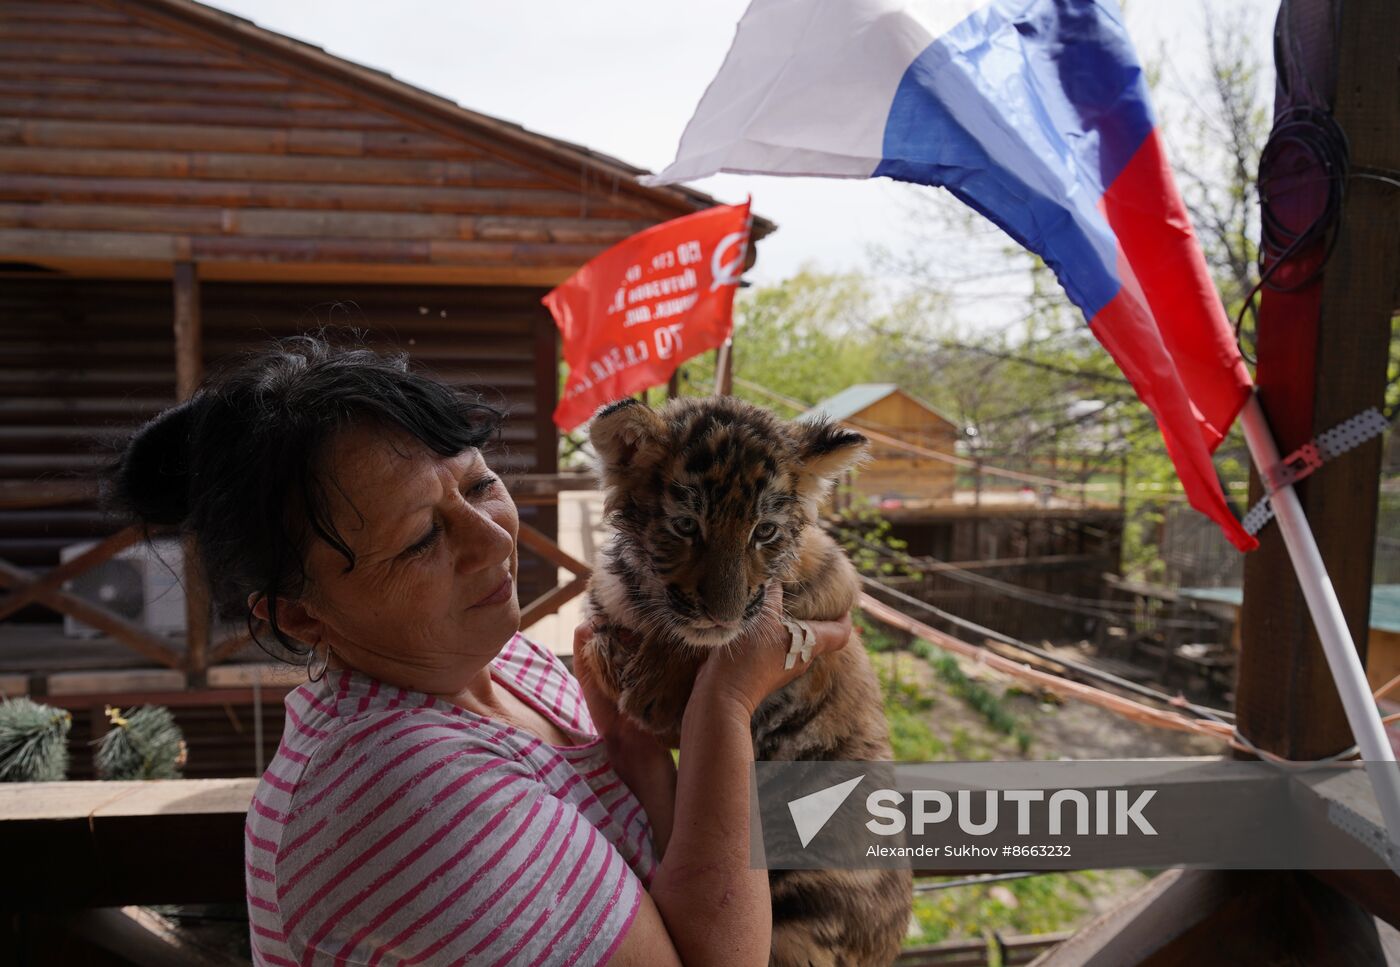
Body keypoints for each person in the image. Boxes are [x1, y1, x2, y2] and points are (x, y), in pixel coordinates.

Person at [103, 333, 850, 966]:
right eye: (423, 537)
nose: (494, 537)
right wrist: (724, 706)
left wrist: (637, 751)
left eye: (479, 482)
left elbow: (665, 880)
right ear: (301, 617)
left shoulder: (497, 661)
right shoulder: (404, 793)